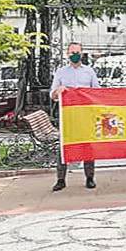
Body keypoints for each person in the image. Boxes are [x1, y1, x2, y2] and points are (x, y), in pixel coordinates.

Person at [50, 42, 100, 191]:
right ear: (67, 54)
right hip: (67, 117)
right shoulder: (61, 72)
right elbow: (52, 95)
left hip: (85, 115)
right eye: (72, 52)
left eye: (77, 52)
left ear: (82, 53)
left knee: (87, 145)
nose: (75, 54)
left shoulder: (89, 72)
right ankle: (61, 179)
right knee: (63, 146)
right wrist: (58, 91)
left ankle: (90, 178)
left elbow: (97, 92)